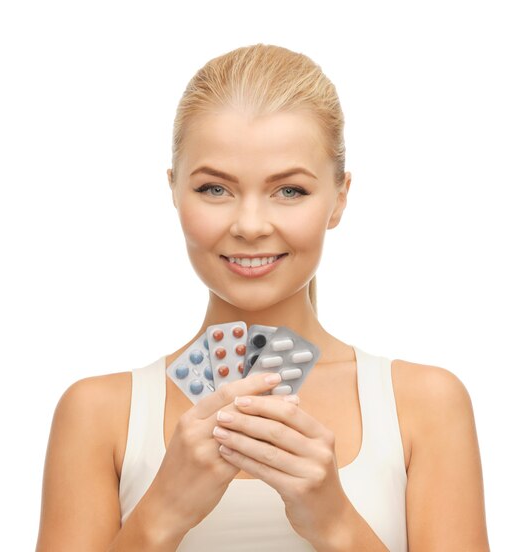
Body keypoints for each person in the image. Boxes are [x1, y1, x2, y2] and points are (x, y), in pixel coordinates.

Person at [36, 43, 490, 551]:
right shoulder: (97, 413)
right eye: (214, 189)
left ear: (339, 198)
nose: (250, 226)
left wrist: (335, 521)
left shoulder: (424, 405)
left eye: (289, 190)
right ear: (174, 191)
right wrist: (162, 511)